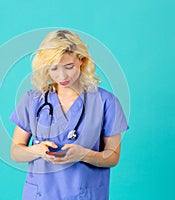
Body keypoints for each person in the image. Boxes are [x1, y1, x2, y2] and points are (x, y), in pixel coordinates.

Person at [10, 30, 129, 200]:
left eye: (69, 67)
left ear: (81, 60)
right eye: (54, 68)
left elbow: (113, 157)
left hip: (85, 195)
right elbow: (16, 152)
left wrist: (84, 155)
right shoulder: (33, 99)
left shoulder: (106, 102)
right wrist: (36, 151)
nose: (62, 76)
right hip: (40, 194)